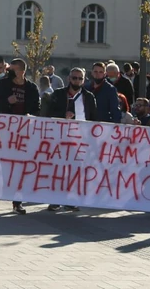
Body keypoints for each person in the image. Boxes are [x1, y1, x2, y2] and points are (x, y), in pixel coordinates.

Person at [0, 58, 39, 214]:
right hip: (3, 133)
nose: (8, 72)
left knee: (19, 168)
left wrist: (30, 114)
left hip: (22, 134)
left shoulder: (31, 88)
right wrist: (7, 101)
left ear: (21, 71)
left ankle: (17, 202)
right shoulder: (3, 85)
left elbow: (37, 108)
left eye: (12, 69)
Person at [45, 67, 97, 211]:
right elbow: (49, 113)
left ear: (84, 80)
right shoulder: (59, 94)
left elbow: (93, 118)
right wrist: (63, 115)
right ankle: (55, 200)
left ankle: (71, 199)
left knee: (76, 171)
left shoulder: (88, 97)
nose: (77, 81)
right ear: (69, 78)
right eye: (74, 78)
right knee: (58, 170)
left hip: (80, 140)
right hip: (60, 138)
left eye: (80, 78)